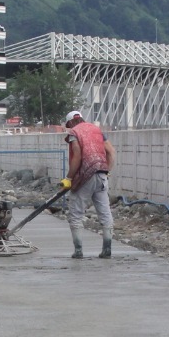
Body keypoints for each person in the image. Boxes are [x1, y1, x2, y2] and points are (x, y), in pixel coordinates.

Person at [62, 109, 116, 259]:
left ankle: (78, 251)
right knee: (105, 212)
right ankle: (107, 249)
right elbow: (111, 152)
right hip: (101, 174)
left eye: (68, 125)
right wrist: (107, 171)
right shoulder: (97, 130)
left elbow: (77, 156)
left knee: (76, 213)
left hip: (85, 176)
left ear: (71, 122)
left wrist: (69, 178)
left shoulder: (74, 132)